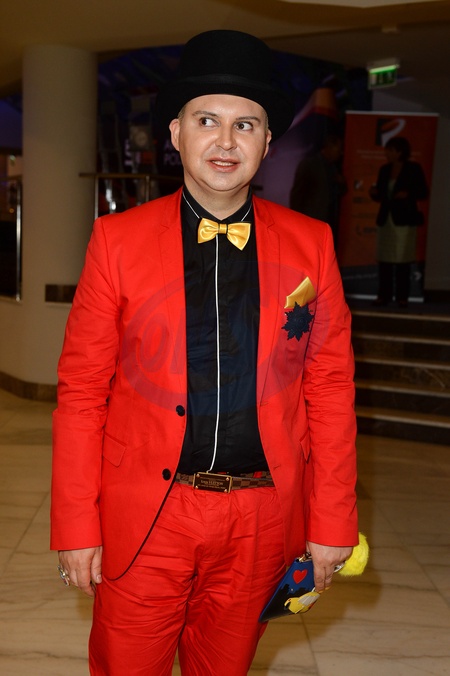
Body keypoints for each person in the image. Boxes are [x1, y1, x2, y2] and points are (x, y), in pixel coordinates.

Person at [51, 30, 358, 676]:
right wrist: (76, 525)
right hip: (148, 514)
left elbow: (330, 390)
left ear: (267, 143)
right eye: (207, 121)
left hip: (260, 518)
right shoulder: (115, 242)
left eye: (245, 125)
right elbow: (82, 393)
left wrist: (333, 522)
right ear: (176, 133)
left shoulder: (313, 245)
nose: (225, 141)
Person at [369, 136, 428, 308]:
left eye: (390, 150)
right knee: (385, 260)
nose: (386, 153)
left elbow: (423, 191)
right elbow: (382, 194)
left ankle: (402, 297)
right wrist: (374, 193)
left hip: (404, 220)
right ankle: (383, 295)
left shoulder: (413, 168)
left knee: (403, 260)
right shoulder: (384, 169)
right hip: (386, 219)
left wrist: (408, 194)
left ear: (399, 152)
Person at [289, 132, 347, 248]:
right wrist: (297, 219)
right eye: (338, 149)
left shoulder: (333, 168)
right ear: (329, 147)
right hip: (310, 220)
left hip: (328, 221)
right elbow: (297, 194)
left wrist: (341, 183)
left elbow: (340, 191)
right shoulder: (310, 164)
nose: (340, 153)